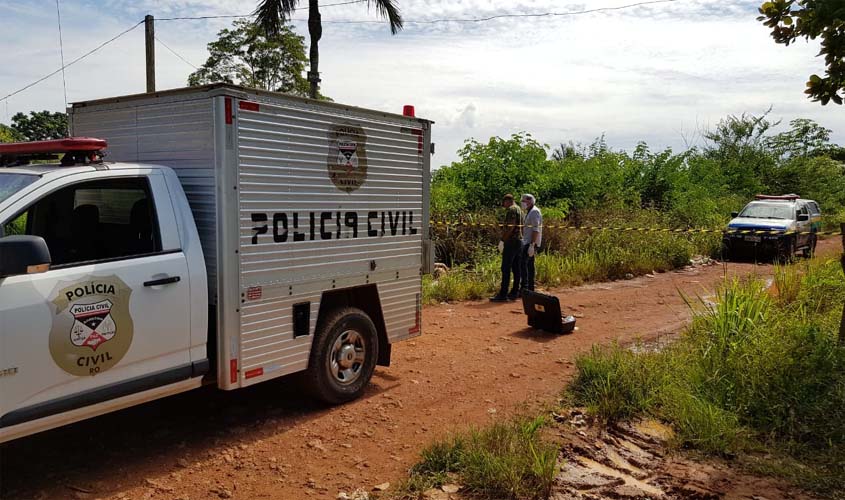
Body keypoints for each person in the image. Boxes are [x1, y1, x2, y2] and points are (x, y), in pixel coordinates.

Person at [491, 194, 523, 302]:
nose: (504, 206)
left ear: (508, 201)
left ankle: (503, 294)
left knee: (506, 268)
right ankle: (514, 292)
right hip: (519, 241)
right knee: (516, 268)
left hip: (511, 241)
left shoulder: (512, 209)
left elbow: (510, 227)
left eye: (504, 203)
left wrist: (503, 240)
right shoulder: (520, 209)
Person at [520, 194, 542, 293]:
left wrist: (532, 245)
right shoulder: (529, 212)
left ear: (530, 202)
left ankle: (525, 288)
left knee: (523, 264)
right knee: (529, 266)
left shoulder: (534, 212)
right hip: (527, 241)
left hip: (530, 243)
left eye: (524, 202)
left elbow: (536, 229)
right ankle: (530, 288)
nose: (523, 204)